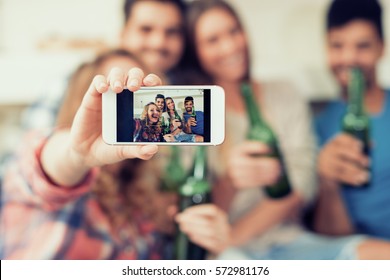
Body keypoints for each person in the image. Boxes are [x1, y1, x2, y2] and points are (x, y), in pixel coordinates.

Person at [175, 0, 390, 259]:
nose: (230, 46)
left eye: (234, 31)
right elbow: (198, 207)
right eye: (212, 40)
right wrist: (230, 183)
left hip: (292, 241)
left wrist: (235, 235)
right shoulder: (189, 113)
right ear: (196, 52)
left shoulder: (284, 94)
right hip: (230, 251)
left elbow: (300, 186)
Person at [0, 49, 228, 259]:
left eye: (138, 95)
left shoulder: (145, 200)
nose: (128, 96)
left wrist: (206, 239)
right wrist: (76, 154)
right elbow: (46, 163)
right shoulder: (48, 153)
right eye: (115, 92)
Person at [314, 0, 390, 241]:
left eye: (363, 46)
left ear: (382, 48)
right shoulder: (317, 128)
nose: (349, 58)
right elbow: (334, 240)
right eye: (337, 45)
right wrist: (328, 182)